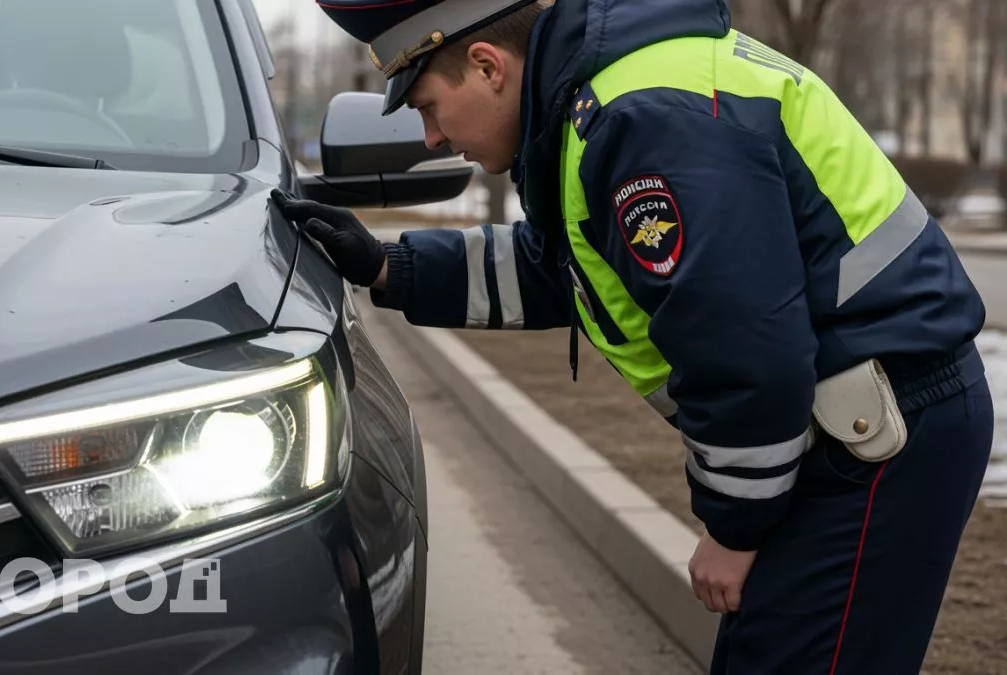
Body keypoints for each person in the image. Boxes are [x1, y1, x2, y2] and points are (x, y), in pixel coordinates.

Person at [271, 1, 995, 673]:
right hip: (852, 421)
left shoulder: (642, 117)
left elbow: (742, 344)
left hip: (877, 434)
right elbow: (566, 266)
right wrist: (388, 266)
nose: (430, 136)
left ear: (488, 66)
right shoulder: (606, 98)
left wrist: (734, 528)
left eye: (428, 105)